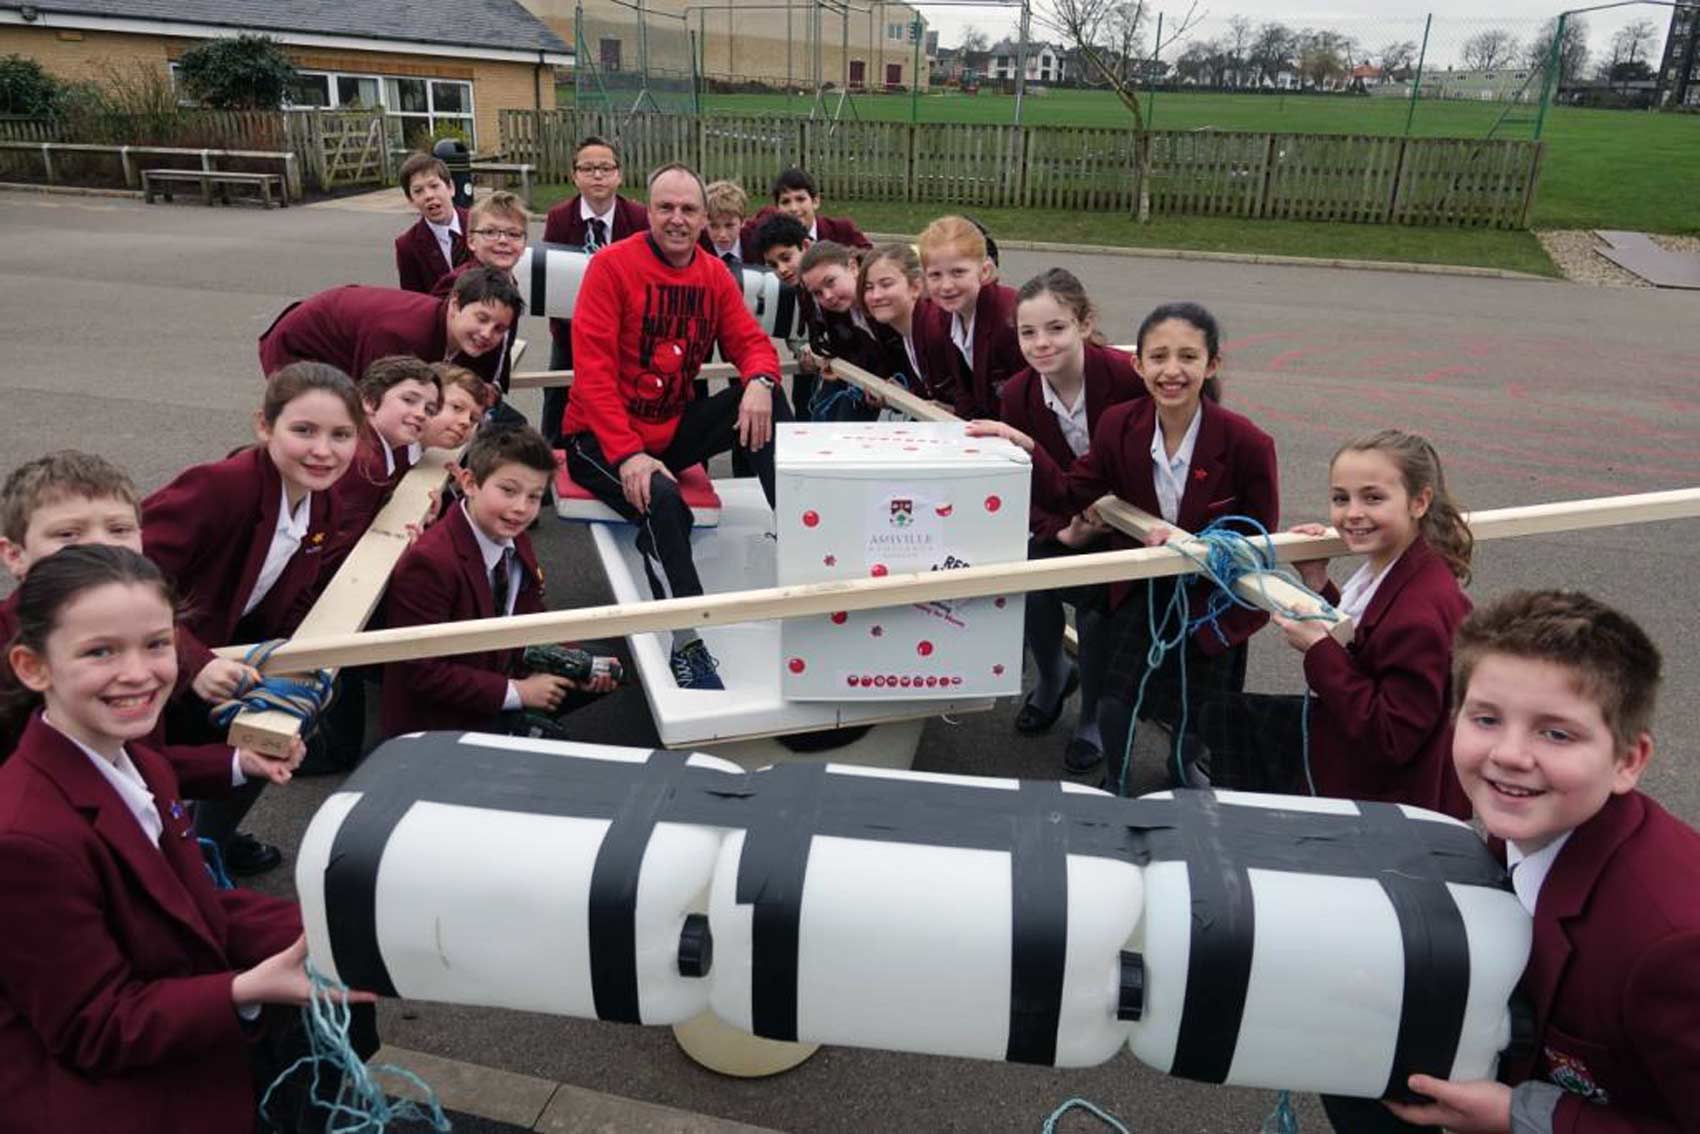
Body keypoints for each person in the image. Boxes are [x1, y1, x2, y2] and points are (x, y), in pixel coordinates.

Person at [0, 544, 369, 1134]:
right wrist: (245, 988)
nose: (139, 672)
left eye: (156, 643)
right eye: (100, 651)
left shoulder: (135, 758)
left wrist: (338, 933)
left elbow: (188, 906)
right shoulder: (25, 840)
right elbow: (93, 1027)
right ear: (32, 667)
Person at [1378, 590, 1700, 1134]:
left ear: (1628, 760)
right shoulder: (1528, 826)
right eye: (1486, 719)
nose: (1509, 754)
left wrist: (1521, 1115)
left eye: (1556, 732)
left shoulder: (1673, 943)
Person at [970, 302, 1277, 794]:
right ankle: (1117, 778)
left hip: (1209, 596)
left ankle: (1183, 766)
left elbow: (1259, 537)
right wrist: (1023, 444)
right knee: (1116, 702)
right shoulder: (1119, 425)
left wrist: (1196, 546)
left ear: (1212, 364)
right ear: (1138, 365)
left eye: (1187, 357)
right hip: (1143, 584)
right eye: (1157, 357)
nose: (1171, 371)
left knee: (1202, 712)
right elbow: (1072, 491)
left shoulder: (1246, 443)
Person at [559, 163, 789, 691]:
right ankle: (685, 640)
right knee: (664, 502)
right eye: (666, 208)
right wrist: (627, 455)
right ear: (648, 210)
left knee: (764, 404)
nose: (677, 219)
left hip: (667, 430)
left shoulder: (712, 274)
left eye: (689, 210)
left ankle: (802, 539)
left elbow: (751, 343)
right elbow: (591, 374)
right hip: (597, 437)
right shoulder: (612, 267)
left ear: (706, 218)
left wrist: (760, 381)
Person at [143, 362, 362, 874]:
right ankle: (173, 859)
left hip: (223, 653)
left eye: (341, 435)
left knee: (279, 725)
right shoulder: (219, 487)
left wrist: (297, 659)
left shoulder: (322, 503)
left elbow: (295, 588)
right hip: (155, 656)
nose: (323, 451)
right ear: (264, 426)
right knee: (144, 780)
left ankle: (207, 842)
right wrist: (195, 662)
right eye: (303, 430)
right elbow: (123, 582)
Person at [1193, 430, 1474, 817]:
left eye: (1373, 498)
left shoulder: (1421, 613)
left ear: (1419, 501)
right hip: (1369, 772)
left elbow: (1392, 737)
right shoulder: (1400, 567)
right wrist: (1317, 583)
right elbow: (1367, 639)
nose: (1352, 513)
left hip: (1391, 804)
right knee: (1228, 719)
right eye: (1341, 498)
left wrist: (1319, 650)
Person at [0, 452, 250, 760]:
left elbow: (141, 762)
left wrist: (237, 765)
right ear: (14, 555)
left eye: (119, 530)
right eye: (67, 534)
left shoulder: (138, 625)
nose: (102, 545)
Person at [997, 269, 1145, 774]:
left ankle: (1091, 716)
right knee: (1033, 570)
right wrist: (1060, 529)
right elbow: (1025, 480)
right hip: (1067, 517)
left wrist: (1107, 521)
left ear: (1085, 324)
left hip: (1130, 525)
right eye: (1027, 332)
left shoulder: (1128, 377)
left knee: (1097, 604)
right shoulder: (1017, 394)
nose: (1041, 343)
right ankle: (1053, 675)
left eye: (1055, 328)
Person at [379, 426, 614, 737]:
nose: (521, 508)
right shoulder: (431, 563)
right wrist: (518, 692)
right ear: (469, 483)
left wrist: (579, 662)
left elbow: (530, 612)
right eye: (508, 490)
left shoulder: (512, 535)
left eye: (534, 497)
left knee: (610, 666)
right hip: (441, 720)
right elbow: (421, 673)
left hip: (497, 668)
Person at [539, 136, 648, 446]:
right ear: (575, 175)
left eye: (605, 168)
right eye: (588, 169)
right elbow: (550, 277)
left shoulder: (638, 218)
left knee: (624, 395)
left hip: (626, 331)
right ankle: (552, 455)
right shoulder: (560, 218)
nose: (597, 176)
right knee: (558, 393)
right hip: (571, 329)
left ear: (619, 175)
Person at [257, 268, 521, 384]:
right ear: (454, 304)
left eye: (499, 328)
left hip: (345, 344)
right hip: (298, 349)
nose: (487, 334)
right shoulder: (403, 336)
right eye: (481, 318)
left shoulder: (448, 329)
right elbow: (373, 402)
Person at [429, 190, 532, 404]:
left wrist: (497, 385)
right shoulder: (459, 283)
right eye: (490, 232)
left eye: (514, 234)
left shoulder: (509, 284)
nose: (503, 241)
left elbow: (503, 345)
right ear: (472, 241)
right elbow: (440, 347)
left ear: (524, 245)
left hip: (486, 389)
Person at [918, 215, 1022, 420]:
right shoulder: (947, 317)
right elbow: (965, 387)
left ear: (984, 271)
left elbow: (1033, 395)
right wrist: (964, 419)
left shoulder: (1008, 318)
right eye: (935, 275)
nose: (946, 286)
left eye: (958, 272)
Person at [859, 242, 957, 409]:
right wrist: (906, 396)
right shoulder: (907, 331)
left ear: (916, 287)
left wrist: (956, 412)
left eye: (886, 284)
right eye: (869, 287)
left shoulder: (937, 329)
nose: (875, 296)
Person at [796, 240, 885, 422]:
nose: (827, 296)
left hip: (908, 388)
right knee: (824, 414)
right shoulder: (836, 308)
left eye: (830, 282)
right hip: (864, 380)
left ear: (852, 267)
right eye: (817, 293)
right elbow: (845, 347)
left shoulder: (882, 297)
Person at [393, 152, 468, 294]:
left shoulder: (479, 224)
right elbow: (414, 299)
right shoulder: (407, 246)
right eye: (418, 191)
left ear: (451, 187)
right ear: (410, 199)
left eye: (434, 186)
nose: (428, 196)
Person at [752, 167, 871, 248]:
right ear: (777, 208)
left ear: (815, 201)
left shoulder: (841, 230)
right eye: (785, 202)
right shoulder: (771, 237)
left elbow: (868, 259)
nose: (793, 208)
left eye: (800, 199)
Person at [701, 179, 754, 270]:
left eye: (729, 225)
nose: (722, 234)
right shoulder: (697, 248)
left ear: (743, 221)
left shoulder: (756, 242)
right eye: (714, 226)